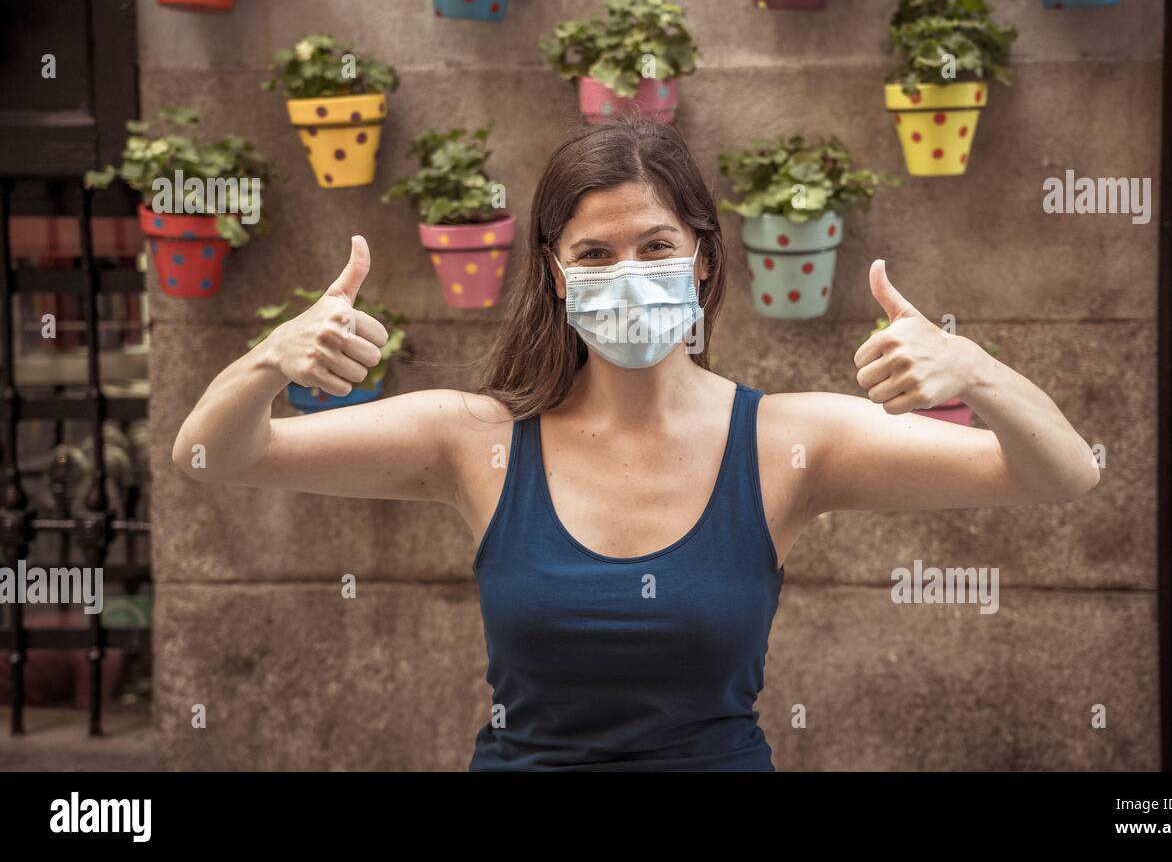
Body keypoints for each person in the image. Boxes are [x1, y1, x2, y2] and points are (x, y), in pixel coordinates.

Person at [172, 117, 1099, 771]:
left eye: (656, 246)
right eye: (597, 253)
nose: (630, 275)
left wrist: (973, 368)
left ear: (701, 253)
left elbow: (1060, 473)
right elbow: (215, 453)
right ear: (554, 269)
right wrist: (268, 357)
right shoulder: (473, 439)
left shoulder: (787, 443)